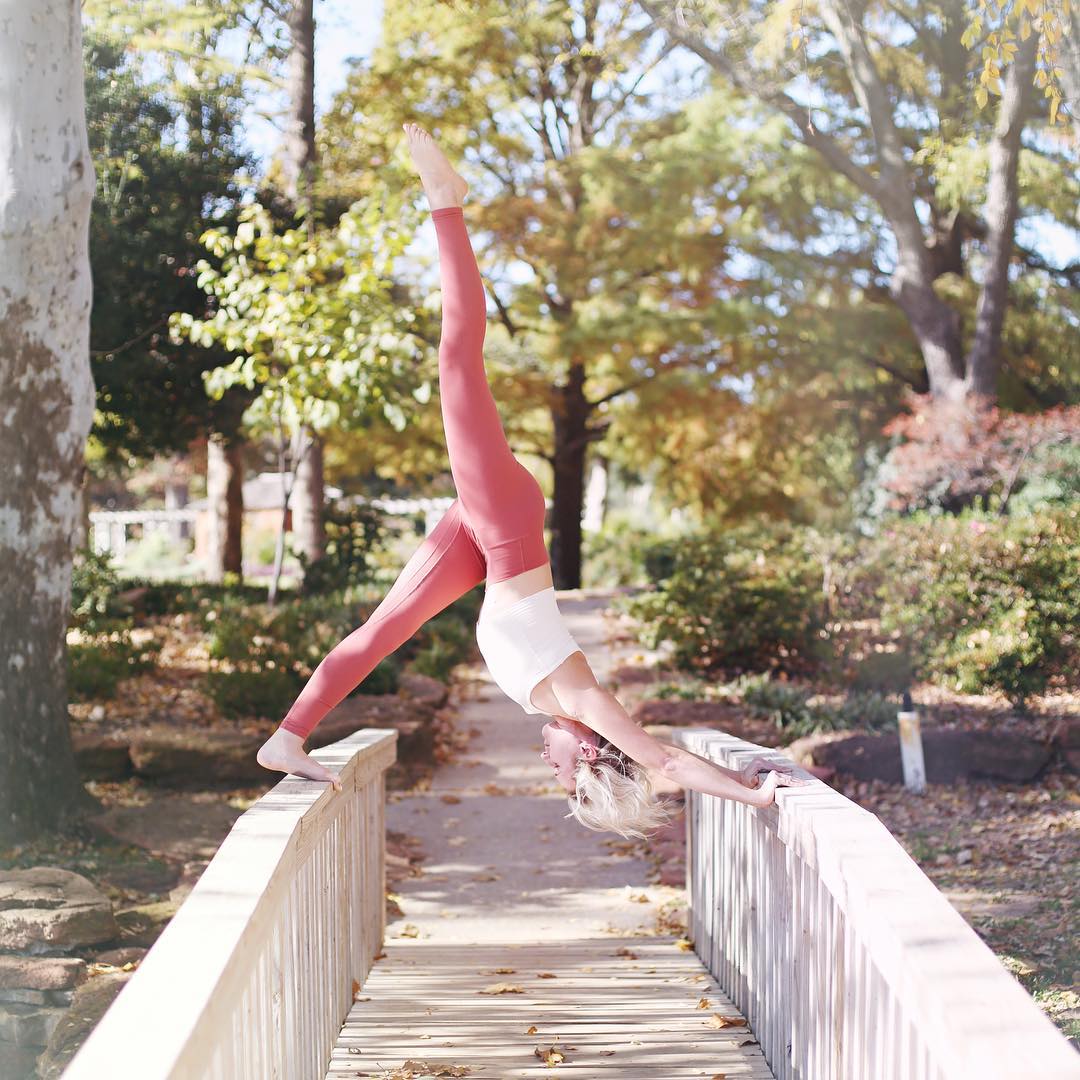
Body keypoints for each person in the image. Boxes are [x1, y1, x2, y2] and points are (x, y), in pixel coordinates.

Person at [257, 124, 809, 836]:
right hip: (506, 525)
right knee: (458, 359)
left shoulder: (549, 702)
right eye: (564, 773)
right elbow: (666, 761)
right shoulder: (586, 704)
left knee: (383, 630)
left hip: (485, 540)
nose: (547, 765)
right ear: (591, 752)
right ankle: (445, 201)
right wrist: (754, 795)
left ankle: (287, 736)